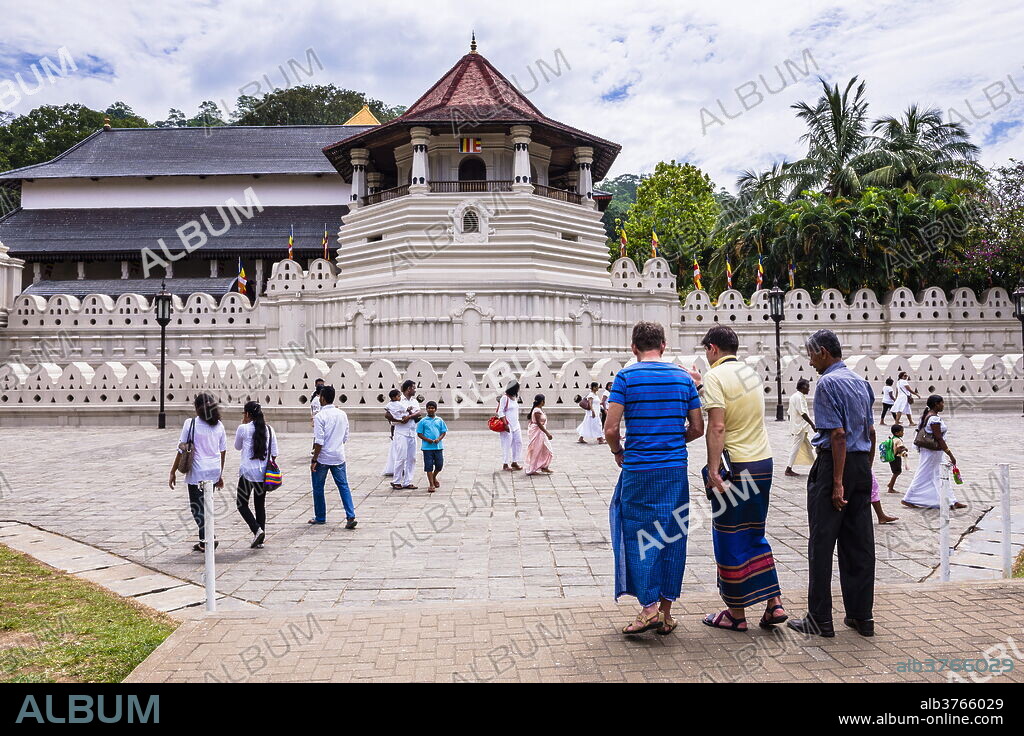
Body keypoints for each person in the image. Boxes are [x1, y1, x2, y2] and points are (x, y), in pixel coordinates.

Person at [606, 321, 704, 636]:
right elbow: (698, 428)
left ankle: (648, 609)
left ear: (634, 347)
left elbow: (610, 429)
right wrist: (673, 442)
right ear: (663, 345)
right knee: (672, 535)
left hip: (638, 470)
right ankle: (665, 612)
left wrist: (618, 452)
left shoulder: (625, 377)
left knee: (638, 535)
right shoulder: (682, 378)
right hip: (674, 471)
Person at [688, 325, 785, 632]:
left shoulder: (716, 376)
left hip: (736, 468)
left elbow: (717, 427)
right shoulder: (750, 373)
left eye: (706, 350)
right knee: (755, 533)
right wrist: (705, 386)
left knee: (729, 536)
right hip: (762, 464)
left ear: (712, 349)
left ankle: (736, 614)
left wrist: (713, 470)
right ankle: (774, 603)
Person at [787, 330, 876, 639]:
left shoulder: (827, 383)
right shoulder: (861, 382)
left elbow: (837, 435)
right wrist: (864, 470)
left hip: (833, 466)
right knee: (860, 544)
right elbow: (870, 431)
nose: (810, 362)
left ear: (823, 352)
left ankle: (820, 618)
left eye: (811, 355)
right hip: (861, 464)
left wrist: (837, 482)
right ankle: (862, 616)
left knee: (822, 544)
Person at [168, 393, 227, 552]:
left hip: (197, 470)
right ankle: (204, 541)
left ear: (196, 407)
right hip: (213, 470)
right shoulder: (219, 425)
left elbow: (181, 449)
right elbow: (222, 451)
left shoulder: (190, 423)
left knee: (197, 508)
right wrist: (219, 473)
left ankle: (209, 537)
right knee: (207, 506)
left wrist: (173, 471)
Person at [901, 395, 967, 510]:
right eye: (942, 403)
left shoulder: (929, 416)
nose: (943, 405)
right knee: (924, 473)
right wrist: (950, 454)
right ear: (936, 404)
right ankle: (909, 498)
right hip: (932, 452)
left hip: (934, 452)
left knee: (940, 475)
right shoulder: (933, 419)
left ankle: (951, 500)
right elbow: (939, 438)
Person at [309, 385, 357, 528]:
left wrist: (314, 459)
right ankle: (350, 515)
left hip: (323, 457)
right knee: (343, 486)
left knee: (318, 488)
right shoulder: (342, 414)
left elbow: (319, 441)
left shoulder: (320, 416)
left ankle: (320, 516)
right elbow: (345, 436)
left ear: (322, 398)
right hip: (338, 456)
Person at [234, 400, 279, 548]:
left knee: (241, 503)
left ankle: (256, 529)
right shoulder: (269, 429)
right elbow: (275, 453)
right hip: (262, 474)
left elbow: (237, 446)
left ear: (247, 414)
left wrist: (244, 423)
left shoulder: (243, 428)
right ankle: (261, 538)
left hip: (247, 473)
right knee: (260, 505)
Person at [391, 380, 422, 489]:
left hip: (412, 431)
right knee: (401, 457)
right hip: (401, 432)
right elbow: (389, 415)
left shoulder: (414, 401)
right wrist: (401, 419)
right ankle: (396, 481)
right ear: (409, 388)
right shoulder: (399, 401)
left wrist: (409, 416)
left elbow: (419, 412)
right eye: (414, 388)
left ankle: (408, 481)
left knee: (412, 458)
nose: (415, 390)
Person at [785, 378, 816, 477]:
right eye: (808, 387)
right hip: (800, 428)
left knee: (808, 446)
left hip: (798, 427)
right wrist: (812, 424)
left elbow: (789, 413)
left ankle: (816, 466)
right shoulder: (799, 397)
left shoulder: (794, 396)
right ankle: (788, 469)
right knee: (796, 447)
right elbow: (803, 413)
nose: (809, 390)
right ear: (803, 387)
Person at [416, 401, 447, 493]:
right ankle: (431, 484)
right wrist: (426, 439)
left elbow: (443, 432)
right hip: (427, 448)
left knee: (439, 465)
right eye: (429, 408)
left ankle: (434, 477)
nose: (431, 409)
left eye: (432, 408)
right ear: (426, 409)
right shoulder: (423, 421)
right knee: (429, 466)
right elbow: (419, 433)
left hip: (438, 447)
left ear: (435, 409)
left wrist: (439, 439)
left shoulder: (439, 420)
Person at [524, 394, 554, 475]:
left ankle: (544, 466)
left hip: (540, 433)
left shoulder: (539, 409)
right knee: (536, 450)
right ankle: (532, 468)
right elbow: (539, 424)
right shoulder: (537, 410)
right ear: (542, 401)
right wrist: (547, 433)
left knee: (547, 449)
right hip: (537, 432)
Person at [497, 382, 523, 471]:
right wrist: (505, 424)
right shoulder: (505, 398)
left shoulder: (514, 398)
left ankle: (515, 461)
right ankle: (505, 463)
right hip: (507, 425)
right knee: (506, 444)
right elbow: (500, 411)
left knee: (518, 442)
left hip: (516, 424)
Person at [382, 388, 403, 480]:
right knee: (397, 450)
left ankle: (400, 468)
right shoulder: (392, 405)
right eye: (399, 396)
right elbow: (388, 416)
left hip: (399, 428)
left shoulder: (397, 404)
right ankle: (397, 468)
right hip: (396, 428)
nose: (400, 398)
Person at [883, 424, 909, 494]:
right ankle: (891, 487)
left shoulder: (892, 439)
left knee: (896, 472)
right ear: (897, 433)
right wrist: (905, 449)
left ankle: (890, 484)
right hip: (896, 458)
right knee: (897, 472)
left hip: (891, 457)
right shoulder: (898, 440)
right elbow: (899, 449)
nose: (903, 433)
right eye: (902, 431)